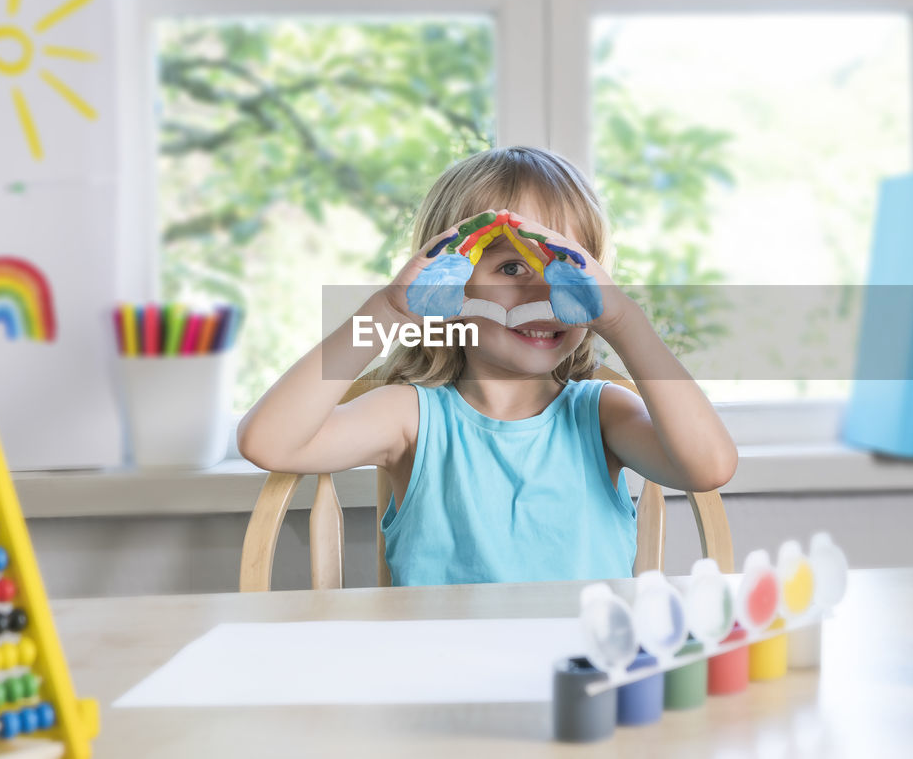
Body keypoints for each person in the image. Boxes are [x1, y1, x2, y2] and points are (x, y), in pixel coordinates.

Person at [237, 146, 737, 585]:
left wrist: (624, 319)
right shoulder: (410, 417)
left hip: (578, 677)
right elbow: (268, 441)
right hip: (446, 676)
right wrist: (389, 313)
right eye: (512, 267)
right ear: (448, 283)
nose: (543, 293)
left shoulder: (602, 414)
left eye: (568, 268)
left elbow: (710, 466)